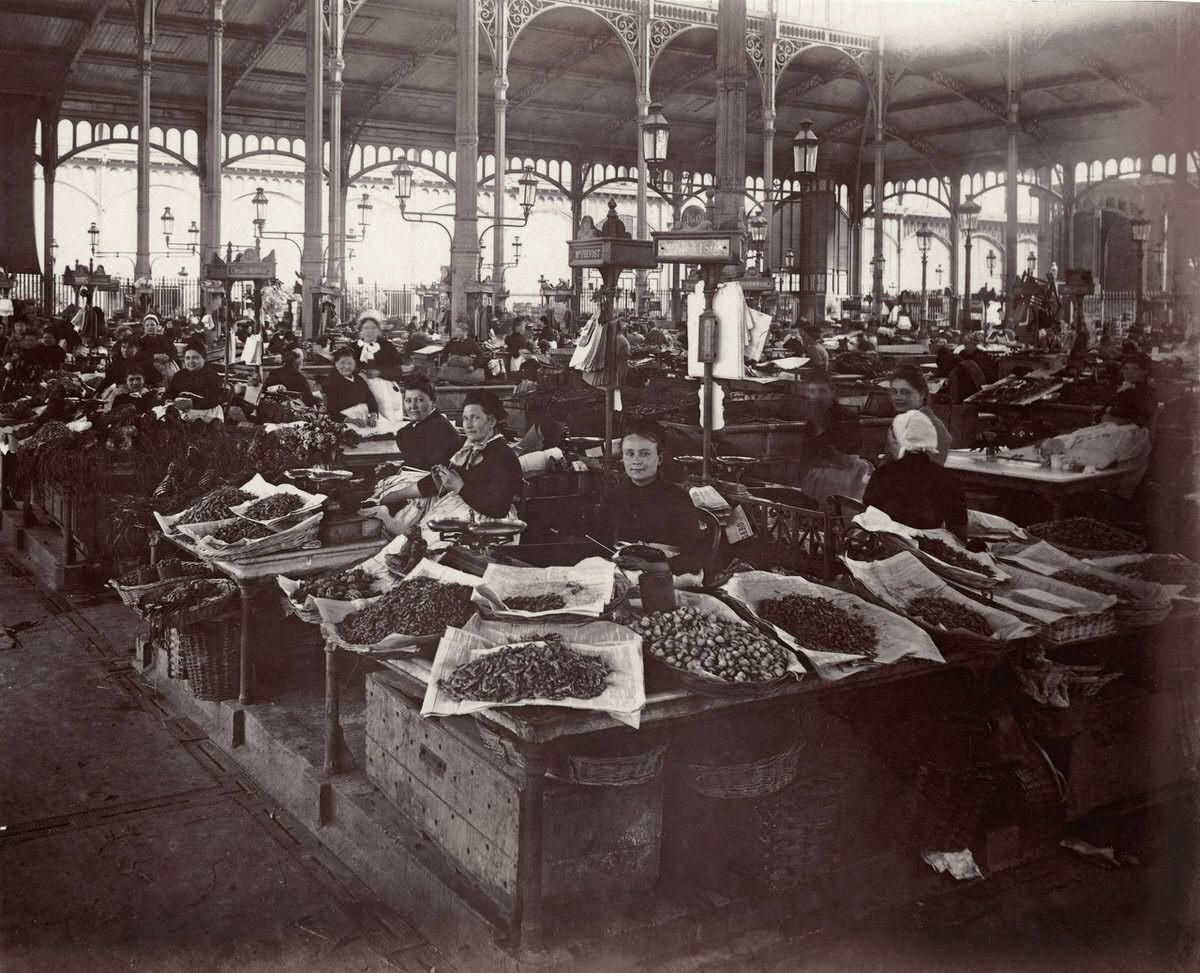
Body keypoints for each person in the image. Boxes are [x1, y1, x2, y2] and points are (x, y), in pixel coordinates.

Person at [373, 389, 523, 529]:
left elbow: (499, 509)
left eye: (475, 418)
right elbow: (434, 482)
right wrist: (394, 495)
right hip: (464, 512)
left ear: (491, 421)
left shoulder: (502, 455)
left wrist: (460, 487)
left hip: (488, 527)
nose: (468, 425)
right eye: (465, 418)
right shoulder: (470, 449)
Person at [594, 419, 707, 577]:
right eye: (630, 453)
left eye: (645, 453)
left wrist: (648, 566)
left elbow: (694, 557)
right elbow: (601, 544)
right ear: (623, 459)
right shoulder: (614, 497)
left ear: (659, 459)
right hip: (624, 572)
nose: (636, 460)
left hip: (668, 574)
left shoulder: (677, 497)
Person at [863, 411, 968, 542]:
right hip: (931, 550)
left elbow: (869, 520)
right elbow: (959, 530)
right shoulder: (948, 477)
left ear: (898, 440)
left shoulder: (882, 474)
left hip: (888, 549)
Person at [887, 364, 952, 464]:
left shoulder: (932, 426)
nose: (898, 397)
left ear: (921, 394)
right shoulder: (903, 421)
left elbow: (930, 473)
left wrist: (899, 456)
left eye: (906, 392)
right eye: (894, 392)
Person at [394, 377, 461, 470]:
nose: (412, 406)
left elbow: (426, 470)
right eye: (408, 401)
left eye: (419, 400)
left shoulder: (440, 429)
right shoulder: (419, 425)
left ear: (433, 401)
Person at [320, 346, 379, 426]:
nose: (346, 367)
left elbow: (370, 398)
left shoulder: (359, 379)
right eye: (342, 363)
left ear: (355, 365)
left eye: (350, 363)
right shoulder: (330, 382)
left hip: (363, 421)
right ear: (336, 363)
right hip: (343, 423)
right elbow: (332, 412)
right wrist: (350, 420)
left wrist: (373, 414)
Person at [1102, 353, 1157, 427]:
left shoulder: (1145, 391)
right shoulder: (1124, 388)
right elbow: (1106, 407)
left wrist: (1110, 411)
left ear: (1145, 372)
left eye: (1135, 369)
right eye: (1126, 368)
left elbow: (1134, 415)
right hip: (1117, 427)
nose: (1129, 372)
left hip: (1132, 431)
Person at [165, 347, 224, 411]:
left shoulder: (212, 376)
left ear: (204, 359)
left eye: (195, 358)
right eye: (187, 358)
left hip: (205, 412)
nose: (191, 361)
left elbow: (214, 400)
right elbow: (169, 393)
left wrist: (192, 403)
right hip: (181, 411)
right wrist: (168, 400)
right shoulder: (179, 375)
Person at [353, 309, 404, 380]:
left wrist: (380, 373)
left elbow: (398, 370)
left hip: (384, 385)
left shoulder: (388, 346)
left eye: (373, 328)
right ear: (360, 330)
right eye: (366, 328)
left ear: (379, 330)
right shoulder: (353, 346)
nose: (369, 331)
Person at [947, 337, 988, 403]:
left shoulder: (982, 355)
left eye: (967, 344)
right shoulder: (962, 353)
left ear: (974, 344)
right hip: (964, 385)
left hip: (976, 386)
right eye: (965, 344)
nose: (965, 346)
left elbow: (984, 374)